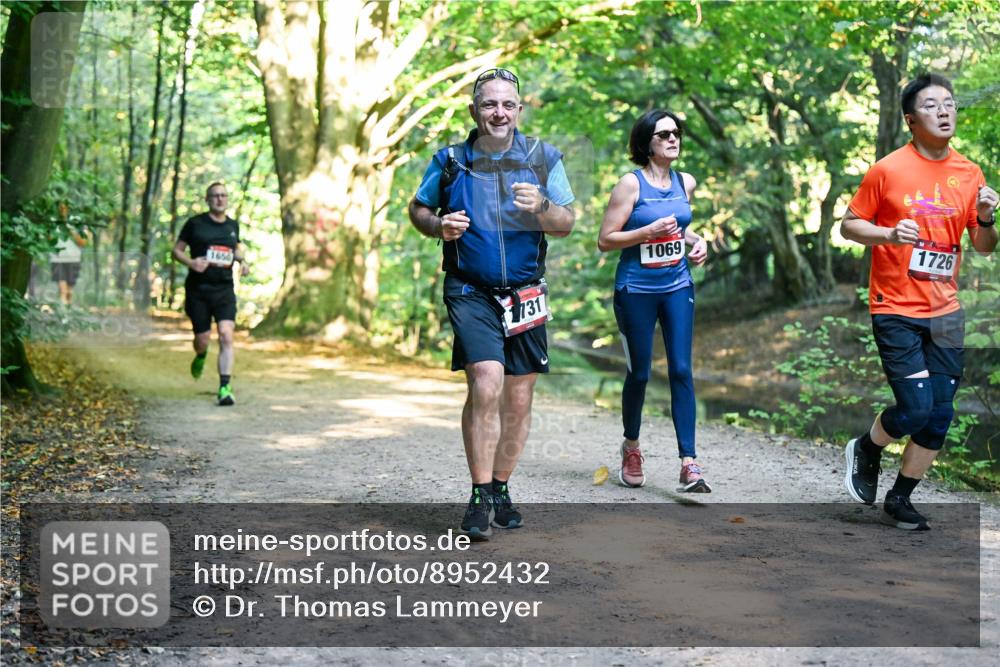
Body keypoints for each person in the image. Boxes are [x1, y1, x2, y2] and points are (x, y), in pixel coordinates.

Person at [408, 68, 576, 539]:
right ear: (473, 111)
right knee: (486, 381)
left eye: (507, 104)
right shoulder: (449, 161)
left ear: (519, 110)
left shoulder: (543, 158)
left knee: (518, 400)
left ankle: (500, 486)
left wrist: (542, 207)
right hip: (470, 288)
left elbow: (566, 223)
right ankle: (480, 495)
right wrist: (437, 226)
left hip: (525, 293)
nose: (498, 113)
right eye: (489, 104)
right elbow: (419, 208)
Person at [841, 73, 997, 530]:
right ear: (911, 119)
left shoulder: (970, 173)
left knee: (940, 414)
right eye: (931, 105)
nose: (944, 111)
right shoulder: (888, 169)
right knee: (915, 408)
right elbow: (849, 226)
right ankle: (867, 447)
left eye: (949, 103)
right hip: (895, 308)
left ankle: (900, 498)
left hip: (946, 312)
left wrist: (987, 218)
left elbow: (984, 246)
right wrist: (889, 233)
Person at [597, 110, 710, 492]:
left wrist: (698, 241)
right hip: (636, 290)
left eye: (676, 132)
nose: (673, 139)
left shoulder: (685, 181)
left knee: (681, 370)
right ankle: (631, 446)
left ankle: (689, 463)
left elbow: (680, 227)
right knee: (640, 373)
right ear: (646, 143)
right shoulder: (630, 185)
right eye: (664, 134)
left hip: (677, 285)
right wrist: (645, 232)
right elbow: (606, 239)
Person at [171, 182, 250, 406]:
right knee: (202, 340)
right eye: (215, 196)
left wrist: (243, 262)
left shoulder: (232, 225)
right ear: (207, 199)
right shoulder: (195, 224)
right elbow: (176, 250)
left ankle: (225, 387)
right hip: (198, 291)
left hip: (224, 289)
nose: (219, 199)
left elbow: (236, 249)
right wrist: (191, 262)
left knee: (226, 335)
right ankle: (201, 354)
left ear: (227, 199)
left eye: (223, 195)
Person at [50, 202, 87, 305]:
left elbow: (83, 242)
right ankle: (62, 312)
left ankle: (68, 309)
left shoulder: (77, 222)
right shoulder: (52, 221)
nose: (62, 209)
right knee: (63, 290)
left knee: (69, 292)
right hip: (57, 259)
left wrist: (69, 229)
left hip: (73, 260)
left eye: (64, 207)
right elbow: (49, 239)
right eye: (60, 207)